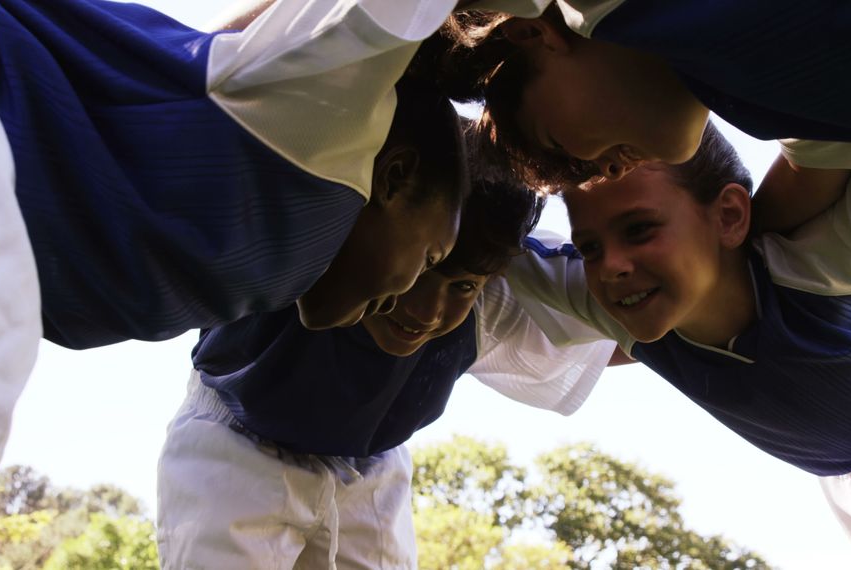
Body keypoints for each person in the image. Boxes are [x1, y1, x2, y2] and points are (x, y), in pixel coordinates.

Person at [0, 0, 469, 564]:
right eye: (430, 256)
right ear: (395, 178)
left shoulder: (283, 269)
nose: (415, 290)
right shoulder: (313, 136)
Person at [504, 122, 851, 568]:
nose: (613, 264)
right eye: (590, 246)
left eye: (641, 229)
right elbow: (476, 231)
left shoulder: (834, 255)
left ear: (730, 216)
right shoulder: (601, 296)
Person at [155, 165, 619, 568]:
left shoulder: (489, 299)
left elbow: (623, 331)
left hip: (370, 467)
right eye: (421, 271)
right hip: (237, 440)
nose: (427, 311)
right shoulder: (306, 241)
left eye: (461, 286)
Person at [434, 0, 851, 212]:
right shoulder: (755, 105)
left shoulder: (612, 6)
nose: (603, 170)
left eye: (563, 146)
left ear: (535, 35)